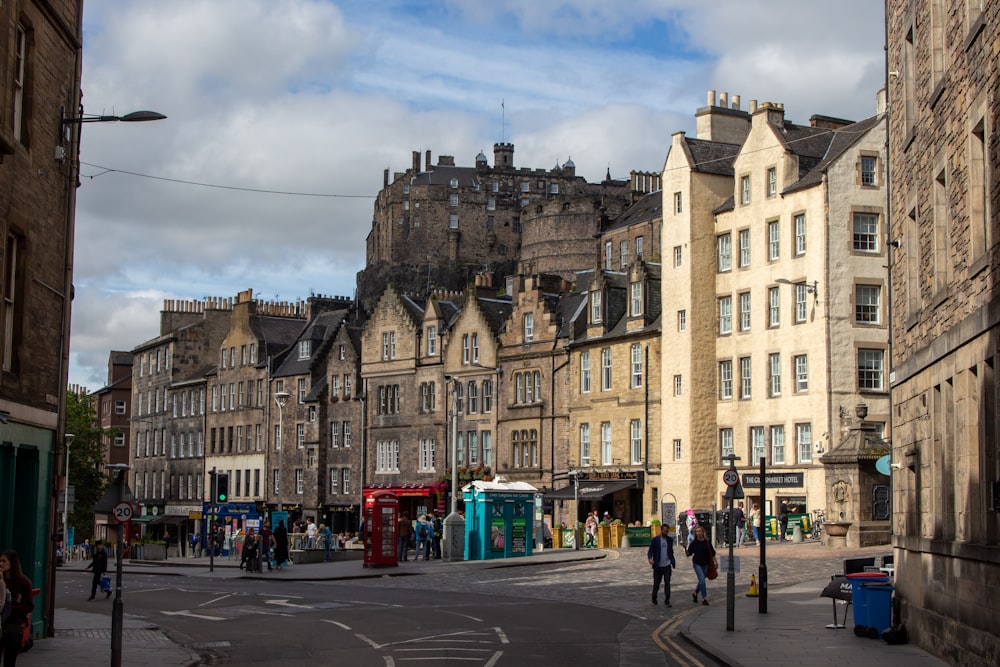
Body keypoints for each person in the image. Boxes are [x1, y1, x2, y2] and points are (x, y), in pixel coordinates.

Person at [1, 550, 34, 666]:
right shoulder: (1, 580)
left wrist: (10, 608)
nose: (1, 564)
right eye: (0, 561)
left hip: (13, 624)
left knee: (9, 660)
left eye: (4, 561)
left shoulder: (24, 582)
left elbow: (29, 606)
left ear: (12, 563)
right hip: (0, 623)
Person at [647, 523, 677, 606]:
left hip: (667, 565)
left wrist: (672, 561)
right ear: (661, 531)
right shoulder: (655, 540)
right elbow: (650, 551)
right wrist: (650, 559)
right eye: (664, 531)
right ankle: (654, 598)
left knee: (667, 583)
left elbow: (671, 552)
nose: (666, 533)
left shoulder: (669, 540)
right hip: (658, 566)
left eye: (667, 531)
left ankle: (667, 601)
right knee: (656, 584)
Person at [685, 525, 716, 605]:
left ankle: (695, 593)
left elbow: (712, 552)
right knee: (702, 579)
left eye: (700, 531)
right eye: (697, 531)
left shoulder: (707, 542)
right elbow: (689, 554)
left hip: (706, 564)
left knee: (701, 581)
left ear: (703, 532)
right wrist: (685, 548)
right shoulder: (694, 543)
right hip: (697, 564)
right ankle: (704, 598)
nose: (698, 533)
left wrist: (715, 561)